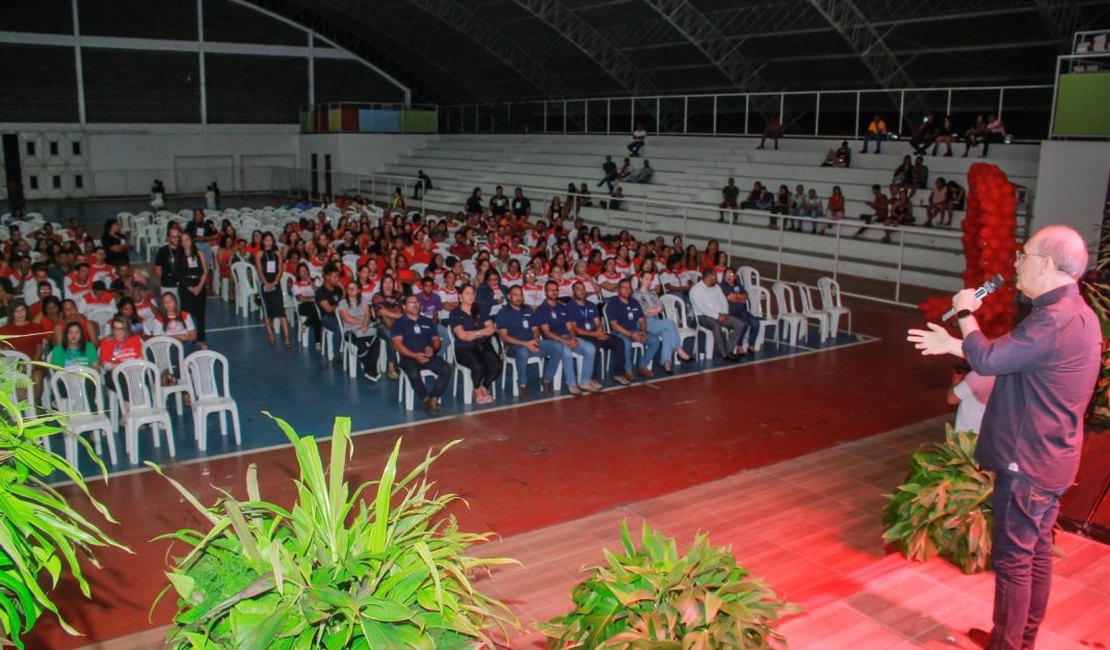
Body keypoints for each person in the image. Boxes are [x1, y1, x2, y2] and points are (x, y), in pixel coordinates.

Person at [906, 225, 1099, 650]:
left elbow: (992, 360)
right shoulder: (1077, 314)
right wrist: (957, 347)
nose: (1016, 263)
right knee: (1035, 556)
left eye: (1023, 255)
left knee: (1014, 562)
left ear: (1047, 263)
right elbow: (1017, 359)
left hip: (1025, 461)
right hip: (1052, 457)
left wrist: (964, 312)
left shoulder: (1052, 318)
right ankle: (1017, 639)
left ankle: (1007, 646)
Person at [391, 294, 451, 413]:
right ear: (404, 307)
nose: (416, 305)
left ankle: (434, 398)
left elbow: (436, 340)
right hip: (408, 357)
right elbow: (397, 345)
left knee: (446, 369)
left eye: (417, 302)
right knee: (413, 373)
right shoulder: (398, 323)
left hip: (427, 355)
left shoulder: (427, 321)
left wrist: (433, 348)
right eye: (411, 303)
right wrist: (414, 356)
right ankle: (425, 399)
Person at [535, 280, 596, 395]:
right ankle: (571, 384)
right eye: (551, 290)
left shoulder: (563, 307)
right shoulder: (541, 309)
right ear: (545, 292)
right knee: (567, 353)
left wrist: (573, 338)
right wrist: (566, 341)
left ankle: (584, 381)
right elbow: (547, 333)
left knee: (590, 348)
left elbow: (570, 327)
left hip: (568, 337)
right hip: (554, 341)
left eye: (556, 290)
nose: (554, 292)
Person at [567, 281, 627, 387]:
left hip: (595, 334)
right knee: (595, 346)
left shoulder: (591, 305)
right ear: (573, 292)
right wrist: (595, 335)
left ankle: (619, 374)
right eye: (578, 289)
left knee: (619, 342)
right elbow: (575, 329)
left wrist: (599, 331)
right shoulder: (570, 307)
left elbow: (598, 323)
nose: (581, 291)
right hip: (582, 335)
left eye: (583, 289)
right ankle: (593, 378)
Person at [449, 285, 502, 404]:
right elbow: (463, 336)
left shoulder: (480, 309)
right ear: (460, 296)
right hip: (464, 349)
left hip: (482, 345)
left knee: (497, 366)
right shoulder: (455, 313)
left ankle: (484, 387)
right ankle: (477, 390)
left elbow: (491, 329)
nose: (471, 296)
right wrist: (481, 332)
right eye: (467, 293)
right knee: (479, 367)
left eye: (472, 293)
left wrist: (474, 333)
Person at [495, 286, 541, 396]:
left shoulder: (528, 309)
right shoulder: (503, 312)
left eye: (521, 295)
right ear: (509, 297)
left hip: (532, 343)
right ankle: (522, 383)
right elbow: (504, 337)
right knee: (523, 351)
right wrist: (526, 344)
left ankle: (547, 379)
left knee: (556, 347)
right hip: (513, 346)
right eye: (515, 294)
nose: (519, 297)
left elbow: (535, 329)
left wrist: (534, 340)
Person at [689, 269, 745, 361]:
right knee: (716, 326)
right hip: (703, 316)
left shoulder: (716, 287)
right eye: (715, 277)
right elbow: (702, 308)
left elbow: (723, 300)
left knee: (739, 324)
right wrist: (717, 316)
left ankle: (729, 350)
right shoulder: (696, 290)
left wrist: (724, 313)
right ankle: (725, 354)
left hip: (720, 314)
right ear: (710, 278)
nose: (717, 280)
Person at [337, 280, 381, 381]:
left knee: (376, 340)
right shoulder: (342, 302)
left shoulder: (363, 300)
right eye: (349, 288)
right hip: (350, 330)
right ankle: (370, 369)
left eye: (353, 288)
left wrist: (365, 325)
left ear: (359, 290)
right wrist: (363, 323)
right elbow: (347, 319)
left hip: (364, 328)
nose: (351, 291)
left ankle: (369, 367)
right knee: (360, 343)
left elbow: (367, 314)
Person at [255, 232, 291, 348]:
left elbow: (280, 270)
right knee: (267, 311)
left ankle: (286, 336)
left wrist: (275, 282)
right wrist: (266, 283)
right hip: (264, 284)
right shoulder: (259, 254)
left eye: (270, 240)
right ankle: (270, 334)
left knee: (280, 309)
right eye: (266, 240)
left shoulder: (277, 253)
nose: (268, 242)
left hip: (276, 284)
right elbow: (259, 271)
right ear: (263, 241)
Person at [178, 232, 209, 349]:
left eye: (187, 239)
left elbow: (205, 272)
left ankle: (201, 340)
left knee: (200, 315)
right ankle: (188, 338)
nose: (185, 242)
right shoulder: (179, 256)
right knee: (186, 314)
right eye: (182, 240)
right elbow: (179, 274)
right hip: (186, 287)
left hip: (199, 285)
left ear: (191, 241)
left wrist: (199, 287)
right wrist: (190, 287)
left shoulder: (199, 254)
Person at [719, 267, 759, 354]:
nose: (729, 277)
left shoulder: (738, 285)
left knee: (756, 322)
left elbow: (746, 295)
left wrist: (740, 297)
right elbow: (730, 299)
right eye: (726, 275)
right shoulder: (722, 286)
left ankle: (751, 345)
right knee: (744, 323)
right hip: (731, 313)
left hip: (742, 311)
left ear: (735, 276)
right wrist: (741, 298)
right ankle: (739, 345)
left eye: (731, 275)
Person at [948, 364, 995, 434]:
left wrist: (955, 382)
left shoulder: (977, 376)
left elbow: (951, 399)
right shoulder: (1006, 376)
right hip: (988, 433)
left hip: (968, 437)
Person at [315, 264, 344, 363]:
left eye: (338, 277)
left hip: (340, 315)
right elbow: (329, 309)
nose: (337, 279)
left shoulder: (338, 290)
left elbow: (345, 301)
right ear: (327, 277)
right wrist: (340, 305)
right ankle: (337, 353)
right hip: (327, 317)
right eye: (335, 277)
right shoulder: (321, 292)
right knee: (338, 326)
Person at [153, 225, 183, 298]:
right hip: (168, 286)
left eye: (178, 237)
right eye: (173, 237)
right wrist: (166, 280)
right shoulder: (162, 251)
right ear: (168, 238)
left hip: (182, 285)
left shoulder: (183, 249)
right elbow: (157, 270)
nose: (176, 239)